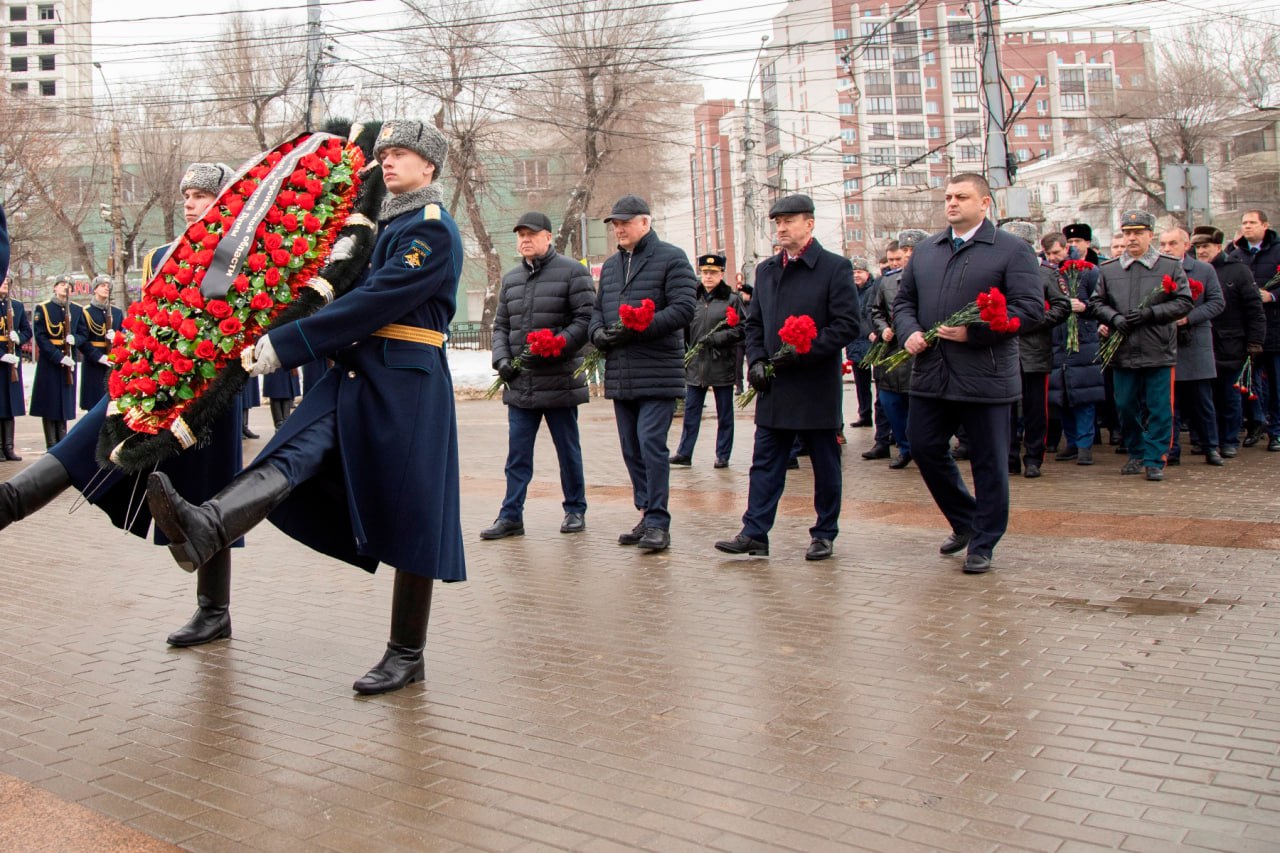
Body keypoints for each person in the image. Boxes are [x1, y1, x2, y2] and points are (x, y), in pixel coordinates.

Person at [146, 120, 465, 695]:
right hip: (348, 372)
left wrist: (288, 343)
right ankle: (205, 526)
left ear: (430, 168)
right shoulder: (369, 227)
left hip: (405, 381)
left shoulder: (431, 229)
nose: (388, 162)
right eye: (385, 153)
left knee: (416, 515)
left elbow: (375, 299)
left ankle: (406, 652)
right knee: (287, 453)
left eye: (402, 154)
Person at [0, 161, 245, 649]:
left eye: (201, 195)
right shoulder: (161, 255)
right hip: (144, 383)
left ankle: (213, 610)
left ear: (226, 201)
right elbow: (144, 316)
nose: (190, 203)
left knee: (206, 495)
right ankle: (10, 502)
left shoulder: (242, 255)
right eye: (187, 195)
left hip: (207, 390)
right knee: (79, 446)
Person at [893, 173, 1044, 575]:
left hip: (985, 373)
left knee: (989, 461)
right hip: (932, 371)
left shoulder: (1012, 250)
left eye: (962, 196)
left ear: (985, 203)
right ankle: (965, 520)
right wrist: (908, 333)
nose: (952, 203)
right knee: (923, 447)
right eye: (948, 197)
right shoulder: (927, 250)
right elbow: (904, 301)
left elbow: (1030, 310)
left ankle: (984, 541)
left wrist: (974, 332)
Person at [714, 193, 859, 561]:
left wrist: (803, 350)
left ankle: (824, 532)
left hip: (814, 383)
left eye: (789, 221)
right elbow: (755, 324)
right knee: (765, 460)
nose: (781, 228)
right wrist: (757, 362)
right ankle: (755, 532)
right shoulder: (767, 270)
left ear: (809, 224)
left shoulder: (834, 267)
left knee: (824, 462)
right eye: (777, 222)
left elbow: (845, 325)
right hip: (774, 384)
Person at [589, 194, 696, 554]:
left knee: (651, 443)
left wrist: (639, 327)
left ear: (645, 223)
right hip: (622, 373)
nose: (618, 228)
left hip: (658, 370)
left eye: (625, 222)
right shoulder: (613, 266)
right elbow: (597, 311)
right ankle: (645, 511)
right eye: (614, 224)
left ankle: (659, 523)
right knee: (631, 448)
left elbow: (683, 309)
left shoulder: (671, 258)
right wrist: (599, 334)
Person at [482, 210, 594, 539]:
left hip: (559, 379)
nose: (525, 240)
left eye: (531, 234)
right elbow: (501, 325)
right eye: (520, 235)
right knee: (517, 455)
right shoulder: (512, 279)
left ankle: (575, 509)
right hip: (521, 382)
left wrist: (556, 345)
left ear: (549, 237)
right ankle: (511, 515)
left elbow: (586, 320)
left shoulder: (573, 273)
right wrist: (501, 359)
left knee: (567, 450)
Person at [1088, 210, 1192, 481]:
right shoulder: (1110, 268)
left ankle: (1155, 458)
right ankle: (1135, 451)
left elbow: (1184, 301)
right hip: (1122, 349)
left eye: (1137, 233)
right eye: (1127, 233)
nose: (1131, 238)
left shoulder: (1169, 265)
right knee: (1124, 405)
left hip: (1157, 348)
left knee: (1159, 407)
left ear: (1150, 234)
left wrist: (1151, 314)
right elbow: (1096, 302)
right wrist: (1114, 318)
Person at [1001, 221, 1070, 479]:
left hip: (1034, 350)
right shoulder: (997, 272)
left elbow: (1062, 306)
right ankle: (1008, 457)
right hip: (1004, 350)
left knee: (1035, 408)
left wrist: (1032, 321)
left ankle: (1033, 457)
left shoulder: (1045, 274)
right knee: (1004, 409)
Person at [1193, 226, 1264, 458]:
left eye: (1205, 246)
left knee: (1230, 397)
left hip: (1232, 343)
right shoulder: (1192, 270)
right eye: (1197, 247)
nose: (1201, 251)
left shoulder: (1238, 271)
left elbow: (1254, 310)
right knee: (1204, 398)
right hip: (1201, 344)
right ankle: (1207, 440)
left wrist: (1255, 341)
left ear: (1218, 246)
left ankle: (1228, 440)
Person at [671, 252, 745, 469]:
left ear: (721, 273)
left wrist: (719, 338)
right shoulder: (692, 298)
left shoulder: (731, 299)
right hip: (696, 365)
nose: (708, 277)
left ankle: (723, 454)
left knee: (725, 413)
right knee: (691, 412)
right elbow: (683, 328)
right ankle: (685, 452)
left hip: (721, 362)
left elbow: (742, 329)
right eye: (704, 272)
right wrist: (684, 352)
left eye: (713, 272)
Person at [1160, 227, 1224, 466]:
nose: (1167, 249)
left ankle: (1211, 447)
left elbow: (1217, 302)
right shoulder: (1157, 269)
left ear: (1186, 245)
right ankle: (1171, 450)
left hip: (1196, 343)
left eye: (1173, 243)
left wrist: (1189, 317)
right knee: (1169, 403)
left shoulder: (1204, 270)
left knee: (1202, 402)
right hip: (1166, 343)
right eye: (1163, 244)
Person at [1043, 233, 1105, 466]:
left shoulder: (1088, 272)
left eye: (1057, 253)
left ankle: (1084, 445)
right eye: (1049, 254)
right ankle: (1071, 442)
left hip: (1083, 339)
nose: (1053, 258)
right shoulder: (1049, 273)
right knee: (1062, 396)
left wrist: (1085, 306)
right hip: (1057, 340)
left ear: (1067, 249)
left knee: (1083, 395)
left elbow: (1101, 303)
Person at [1227, 210, 1280, 452]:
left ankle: (1276, 431)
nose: (1247, 227)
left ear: (1265, 225)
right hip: (1246, 333)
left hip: (1275, 329)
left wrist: (1273, 296)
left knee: (1276, 385)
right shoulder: (1236, 255)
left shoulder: (1277, 251)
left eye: (1252, 222)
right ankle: (1256, 424)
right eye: (1244, 223)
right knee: (1248, 384)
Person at [30, 275, 78, 448]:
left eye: (69, 285)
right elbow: (41, 337)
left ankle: (62, 443)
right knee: (49, 403)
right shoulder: (43, 308)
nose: (66, 288)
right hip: (50, 361)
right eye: (62, 284)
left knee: (64, 403)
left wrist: (75, 340)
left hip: (69, 361)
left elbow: (82, 333)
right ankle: (51, 444)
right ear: (55, 288)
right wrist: (58, 357)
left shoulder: (77, 309)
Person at [75, 275, 124, 412]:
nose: (106, 288)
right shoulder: (85, 312)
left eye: (108, 286)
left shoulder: (117, 312)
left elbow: (125, 335)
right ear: (95, 289)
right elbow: (82, 339)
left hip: (113, 361)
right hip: (93, 363)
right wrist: (99, 357)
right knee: (94, 405)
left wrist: (118, 337)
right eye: (102, 286)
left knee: (112, 405)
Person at [0, 276, 32, 461]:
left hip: (13, 362)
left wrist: (18, 337)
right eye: (2, 280)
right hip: (2, 359)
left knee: (10, 405)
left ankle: (9, 447)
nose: (5, 283)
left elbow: (27, 331)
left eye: (7, 281)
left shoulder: (17, 306)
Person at [844, 257, 876, 429]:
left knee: (880, 384)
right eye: (854, 272)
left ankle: (881, 419)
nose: (856, 275)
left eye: (859, 272)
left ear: (867, 273)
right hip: (856, 343)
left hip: (872, 341)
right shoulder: (850, 291)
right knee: (861, 384)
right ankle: (865, 414)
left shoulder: (874, 289)